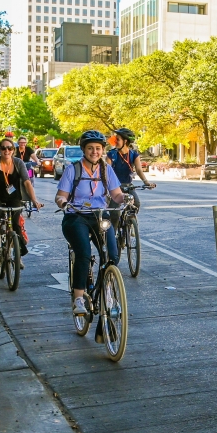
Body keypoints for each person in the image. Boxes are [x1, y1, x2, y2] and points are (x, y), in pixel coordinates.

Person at [55, 130, 126, 316]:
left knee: (112, 255)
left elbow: (116, 194)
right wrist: (63, 202)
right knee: (84, 253)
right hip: (76, 216)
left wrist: (125, 199)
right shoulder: (73, 169)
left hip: (99, 216)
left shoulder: (106, 169)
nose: (94, 151)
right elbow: (60, 196)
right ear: (84, 150)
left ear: (103, 150)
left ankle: (108, 291)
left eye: (98, 148)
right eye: (90, 148)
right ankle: (79, 298)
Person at [0, 138, 44, 257]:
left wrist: (34, 200)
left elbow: (27, 182)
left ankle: (18, 246)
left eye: (9, 148)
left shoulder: (19, 163)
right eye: (3, 148)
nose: (6, 151)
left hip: (14, 196)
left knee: (15, 220)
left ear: (13, 150)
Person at [107, 128, 155, 209]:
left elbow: (139, 170)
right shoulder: (111, 154)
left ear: (125, 141)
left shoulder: (134, 155)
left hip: (128, 186)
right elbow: (107, 171)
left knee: (136, 205)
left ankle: (130, 220)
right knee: (114, 211)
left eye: (117, 139)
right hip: (115, 187)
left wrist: (146, 182)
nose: (115, 142)